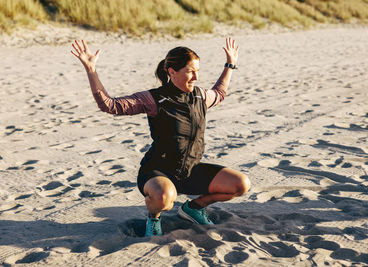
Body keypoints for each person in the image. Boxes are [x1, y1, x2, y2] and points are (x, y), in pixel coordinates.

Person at [71, 37, 250, 237]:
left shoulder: (200, 96)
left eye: (197, 71)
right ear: (171, 71)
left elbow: (220, 92)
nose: (196, 77)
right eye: (190, 71)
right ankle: (153, 218)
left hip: (189, 170)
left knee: (240, 184)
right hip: (158, 172)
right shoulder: (154, 99)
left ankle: (194, 208)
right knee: (164, 198)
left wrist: (230, 64)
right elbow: (110, 105)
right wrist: (91, 69)